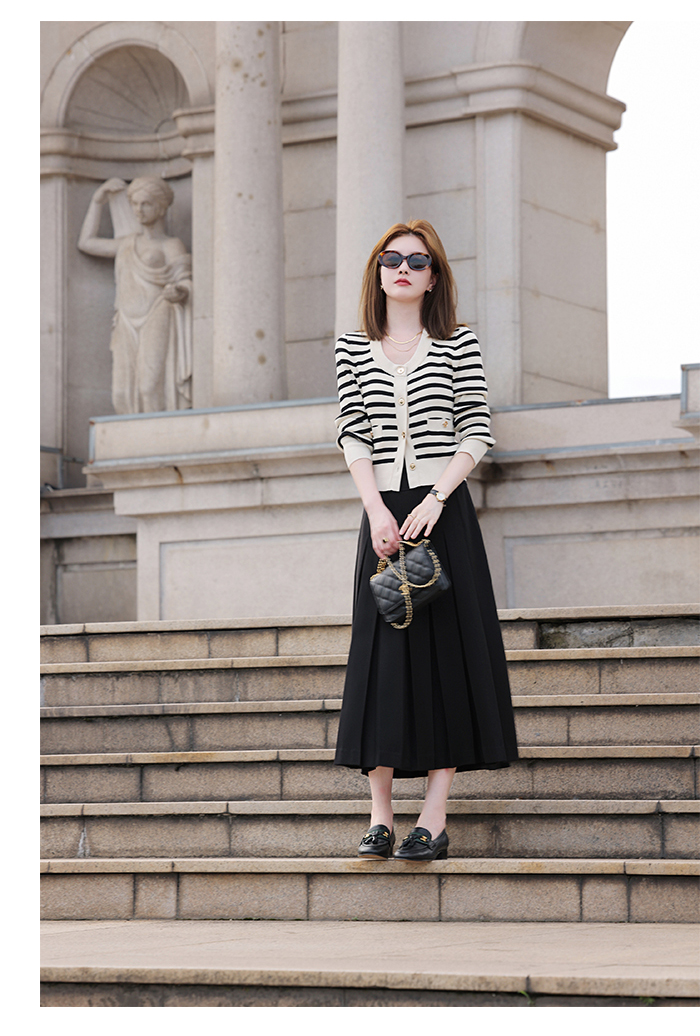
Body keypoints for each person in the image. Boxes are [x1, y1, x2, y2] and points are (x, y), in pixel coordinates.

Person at [333, 219, 519, 861]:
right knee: (381, 658)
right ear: (378, 272)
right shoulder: (352, 348)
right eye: (392, 260)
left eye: (417, 261)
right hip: (384, 513)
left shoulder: (457, 343)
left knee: (447, 657)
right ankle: (380, 815)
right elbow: (352, 432)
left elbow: (476, 429)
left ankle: (433, 817)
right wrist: (375, 510)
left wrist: (438, 497)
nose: (403, 269)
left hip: (443, 511)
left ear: (434, 276)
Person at [78, 176, 192, 414]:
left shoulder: (170, 245)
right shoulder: (126, 243)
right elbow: (86, 243)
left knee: (149, 387)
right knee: (121, 393)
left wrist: (179, 291)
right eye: (135, 204)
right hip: (126, 319)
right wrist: (97, 201)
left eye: (146, 204)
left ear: (161, 208)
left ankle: (159, 433)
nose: (139, 210)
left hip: (157, 313)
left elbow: (184, 281)